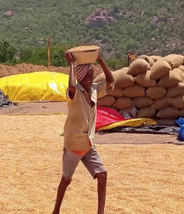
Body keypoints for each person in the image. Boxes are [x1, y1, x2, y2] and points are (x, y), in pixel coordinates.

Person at [52, 50, 114, 214]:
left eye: (92, 76)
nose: (90, 79)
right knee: (66, 180)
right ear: (80, 77)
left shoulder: (93, 89)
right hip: (74, 144)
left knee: (102, 175)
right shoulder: (74, 92)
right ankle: (56, 210)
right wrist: (71, 64)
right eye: (87, 76)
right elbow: (71, 85)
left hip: (88, 143)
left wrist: (100, 60)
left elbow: (111, 81)